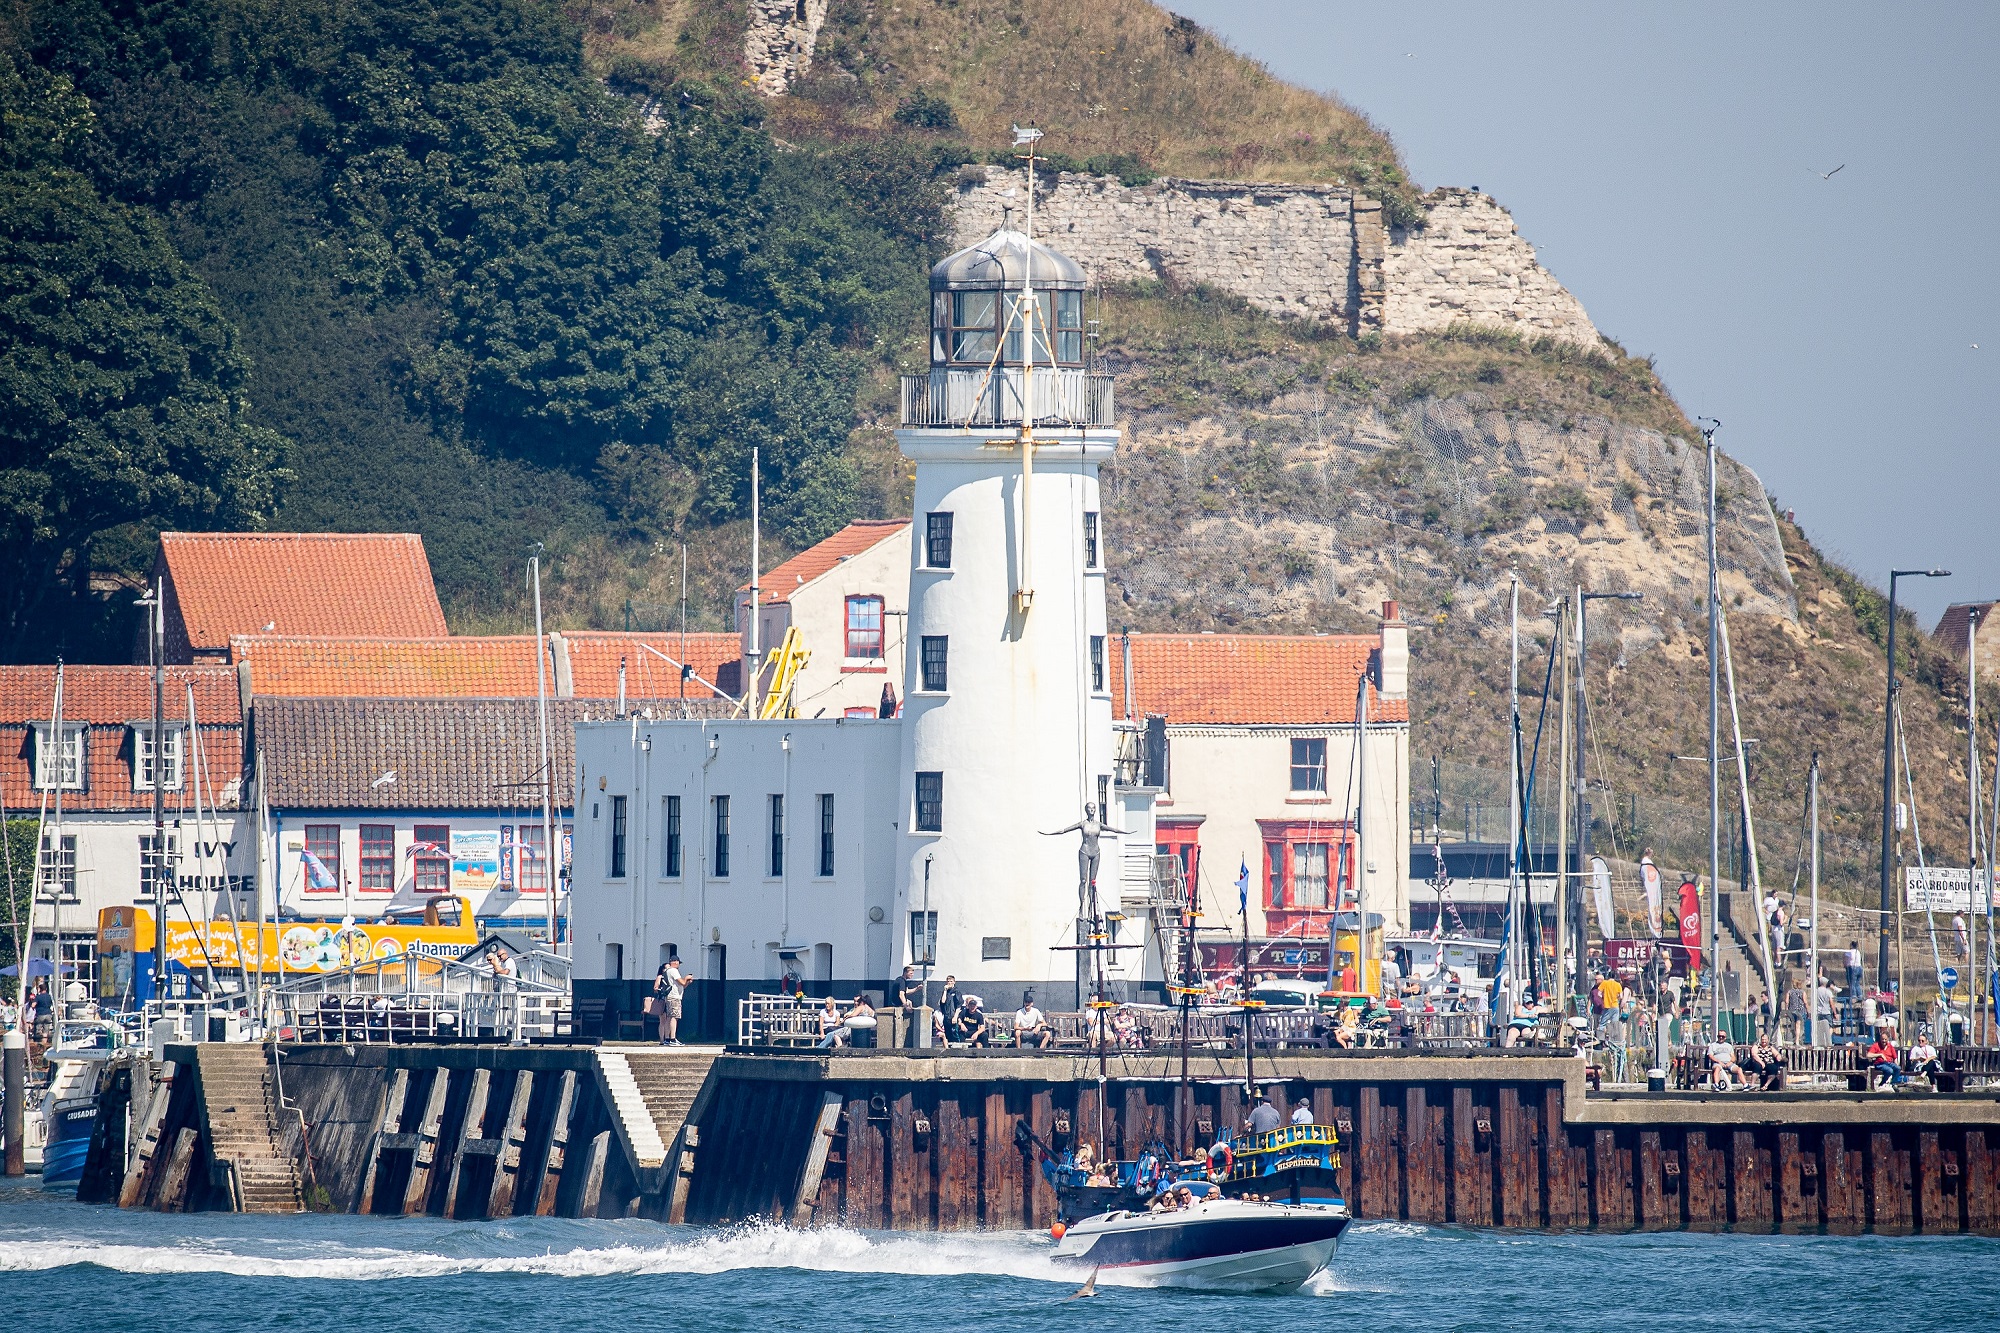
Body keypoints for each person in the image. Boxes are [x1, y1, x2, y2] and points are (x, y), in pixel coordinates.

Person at [658, 956, 686, 1045]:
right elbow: (682, 982)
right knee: (674, 1017)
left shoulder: (666, 972)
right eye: (677, 962)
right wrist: (687, 978)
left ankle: (667, 1039)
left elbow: (681, 985)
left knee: (669, 1018)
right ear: (674, 962)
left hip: (670, 997)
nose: (678, 965)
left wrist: (687, 983)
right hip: (674, 997)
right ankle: (673, 1039)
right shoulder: (673, 971)